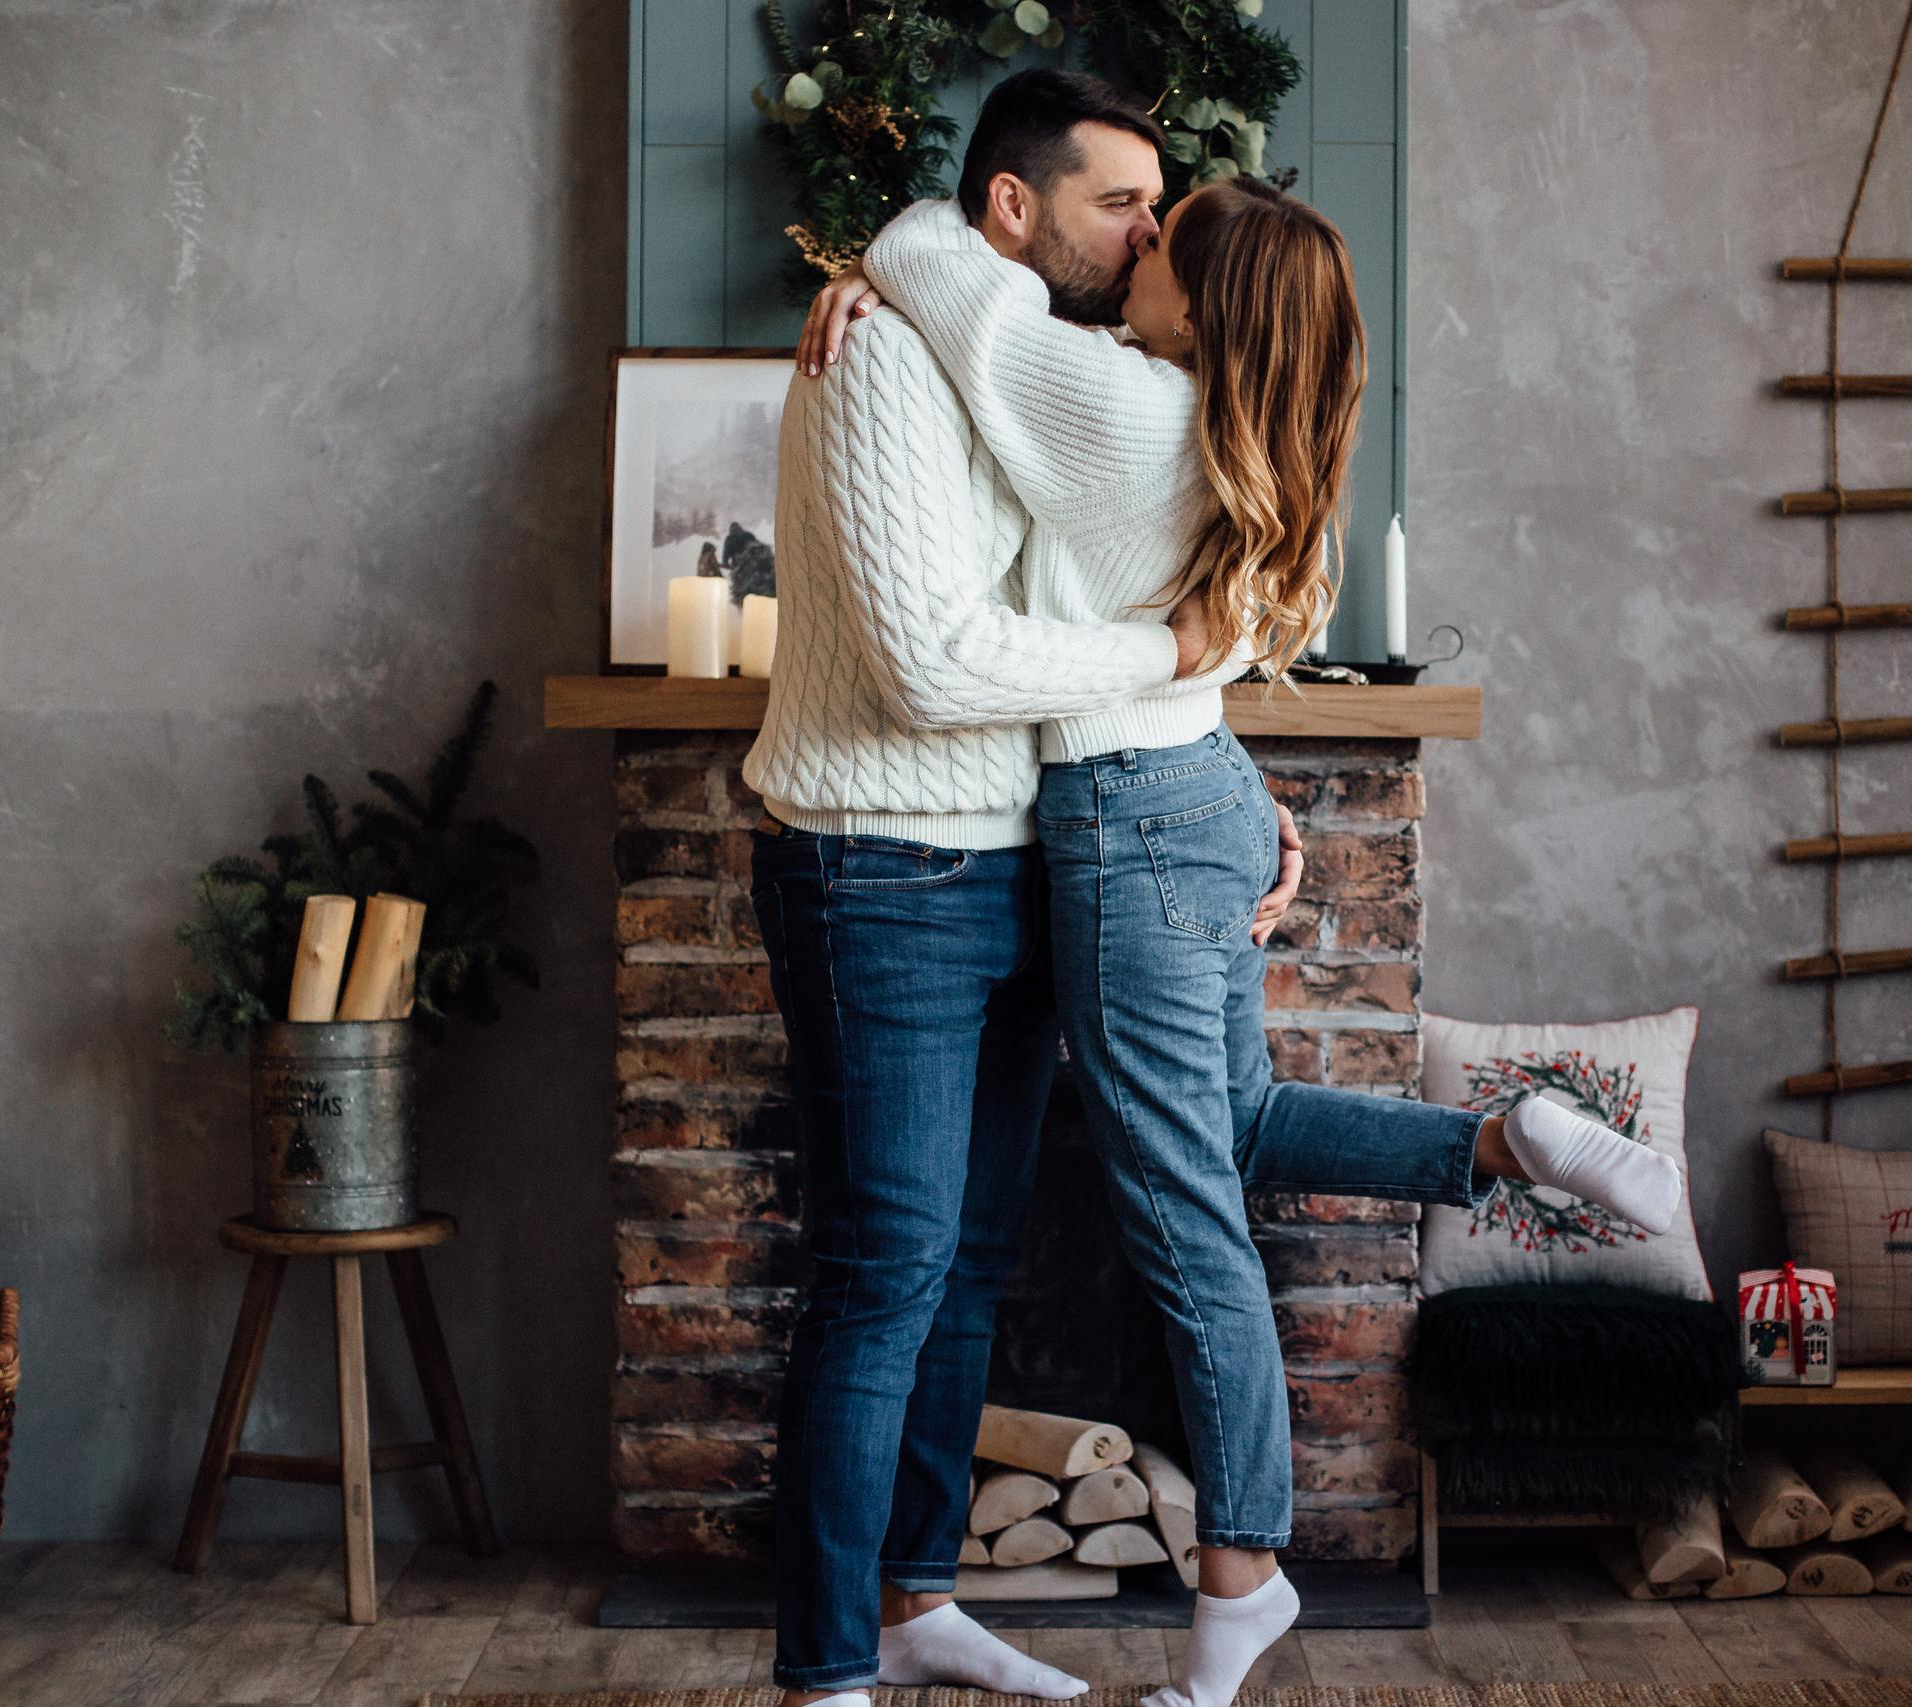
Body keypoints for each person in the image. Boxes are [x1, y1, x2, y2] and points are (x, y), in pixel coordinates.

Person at [797, 81, 1687, 1707]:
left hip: (1132, 821)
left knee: (1182, 1209)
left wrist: (893, 245)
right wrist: (1234, 788)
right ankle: (1515, 1139)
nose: (1141, 236)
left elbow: (957, 284)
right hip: (1180, 792)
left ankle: (1243, 1580)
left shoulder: (1111, 402)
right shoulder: (1211, 412)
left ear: (1198, 302)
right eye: (1128, 209)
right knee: (1248, 1126)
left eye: (1166, 232)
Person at [740, 70, 1254, 1707]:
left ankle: (915, 1601)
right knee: (881, 1271)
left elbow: (1115, 554)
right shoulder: (878, 350)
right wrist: (1161, 654)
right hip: (873, 866)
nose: (1153, 228)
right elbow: (927, 666)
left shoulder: (1072, 363)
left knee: (968, 1265)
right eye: (1124, 201)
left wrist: (1236, 775)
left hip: (1027, 861)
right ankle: (826, 1669)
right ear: (1013, 210)